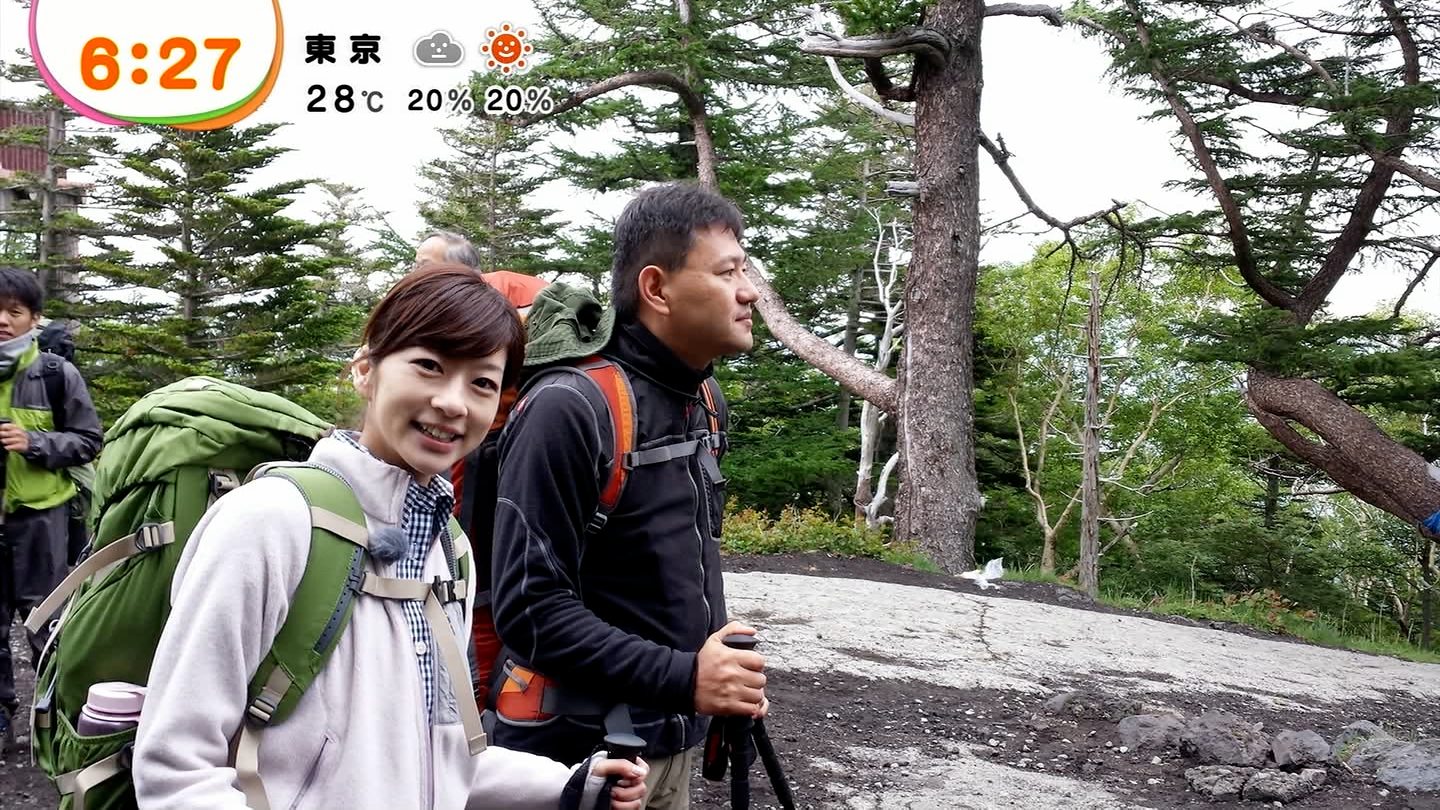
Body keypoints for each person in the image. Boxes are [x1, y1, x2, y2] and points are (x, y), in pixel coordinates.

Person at [133, 265, 647, 809]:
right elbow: (176, 770)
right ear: (365, 370)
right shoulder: (270, 522)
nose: (453, 402)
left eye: (482, 383)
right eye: (429, 366)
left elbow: (437, 756)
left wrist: (567, 784)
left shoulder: (450, 550)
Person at [489, 183, 766, 809]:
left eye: (744, 270)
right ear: (656, 289)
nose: (748, 291)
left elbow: (677, 568)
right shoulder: (570, 408)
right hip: (576, 757)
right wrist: (688, 677)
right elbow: (529, 609)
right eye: (727, 273)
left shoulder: (703, 400)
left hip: (668, 739)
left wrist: (721, 682)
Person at [0, 267, 103, 749]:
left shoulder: (55, 374)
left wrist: (34, 442)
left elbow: (88, 440)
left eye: (14, 311)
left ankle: (59, 717)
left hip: (42, 517)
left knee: (46, 620)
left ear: (34, 318)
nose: (3, 321)